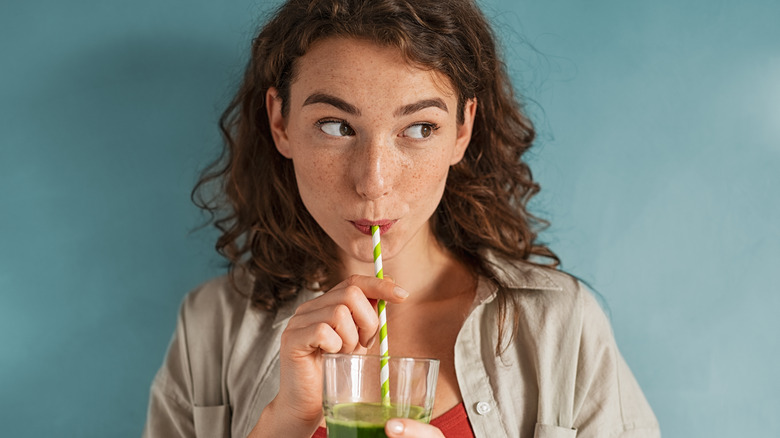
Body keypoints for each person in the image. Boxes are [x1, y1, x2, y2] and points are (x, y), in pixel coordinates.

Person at [143, 0, 660, 437]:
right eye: (335, 125)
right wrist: (280, 424)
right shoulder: (210, 327)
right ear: (280, 122)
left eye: (419, 129)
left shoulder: (560, 325)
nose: (373, 180)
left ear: (463, 130)